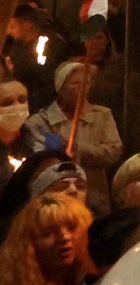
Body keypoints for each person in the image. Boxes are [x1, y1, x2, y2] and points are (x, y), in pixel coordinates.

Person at [26, 62, 120, 211]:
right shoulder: (39, 122)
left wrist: (77, 147)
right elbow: (37, 160)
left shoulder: (102, 116)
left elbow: (113, 151)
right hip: (53, 203)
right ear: (61, 87)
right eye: (75, 84)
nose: (82, 89)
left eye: (86, 83)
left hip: (95, 200)